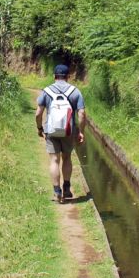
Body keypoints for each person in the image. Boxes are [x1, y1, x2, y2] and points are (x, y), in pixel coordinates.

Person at [35, 64, 86, 203]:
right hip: (69, 131)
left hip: (51, 131)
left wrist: (40, 128)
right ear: (68, 76)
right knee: (67, 158)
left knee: (54, 160)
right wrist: (80, 132)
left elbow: (38, 113)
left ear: (54, 76)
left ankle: (57, 192)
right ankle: (67, 188)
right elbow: (81, 114)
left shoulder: (46, 91)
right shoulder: (75, 92)